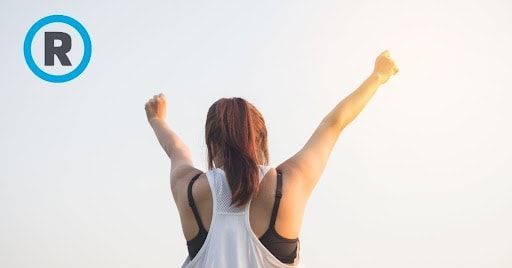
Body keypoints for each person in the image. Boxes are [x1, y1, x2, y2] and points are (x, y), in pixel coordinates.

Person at [144, 50, 399, 267]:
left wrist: (157, 119)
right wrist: (377, 77)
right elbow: (332, 125)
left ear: (211, 141)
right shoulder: (287, 185)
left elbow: (176, 149)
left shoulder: (189, 190)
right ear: (260, 138)